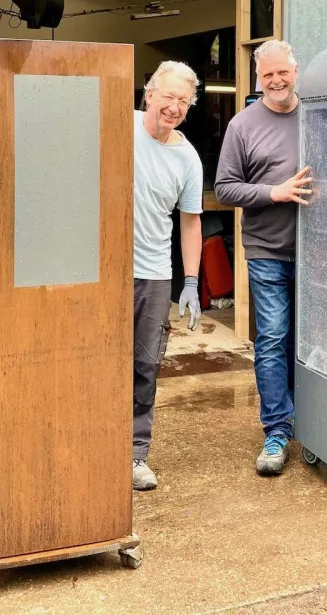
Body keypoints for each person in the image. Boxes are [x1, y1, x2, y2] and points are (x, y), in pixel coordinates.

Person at [215, 40, 311, 475]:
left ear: (296, 71)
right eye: (267, 74)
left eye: (282, 72)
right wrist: (274, 192)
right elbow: (226, 188)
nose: (276, 80)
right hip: (268, 250)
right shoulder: (243, 125)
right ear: (258, 78)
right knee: (272, 340)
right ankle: (276, 430)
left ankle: (312, 423)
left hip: (321, 253)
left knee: (312, 342)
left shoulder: (318, 115)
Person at [132, 60, 204, 491]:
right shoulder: (114, 125)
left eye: (183, 101)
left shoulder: (187, 158)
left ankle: (135, 453)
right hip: (100, 269)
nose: (174, 107)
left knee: (145, 364)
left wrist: (191, 283)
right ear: (149, 93)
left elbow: (190, 222)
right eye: (168, 97)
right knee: (96, 360)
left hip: (154, 273)